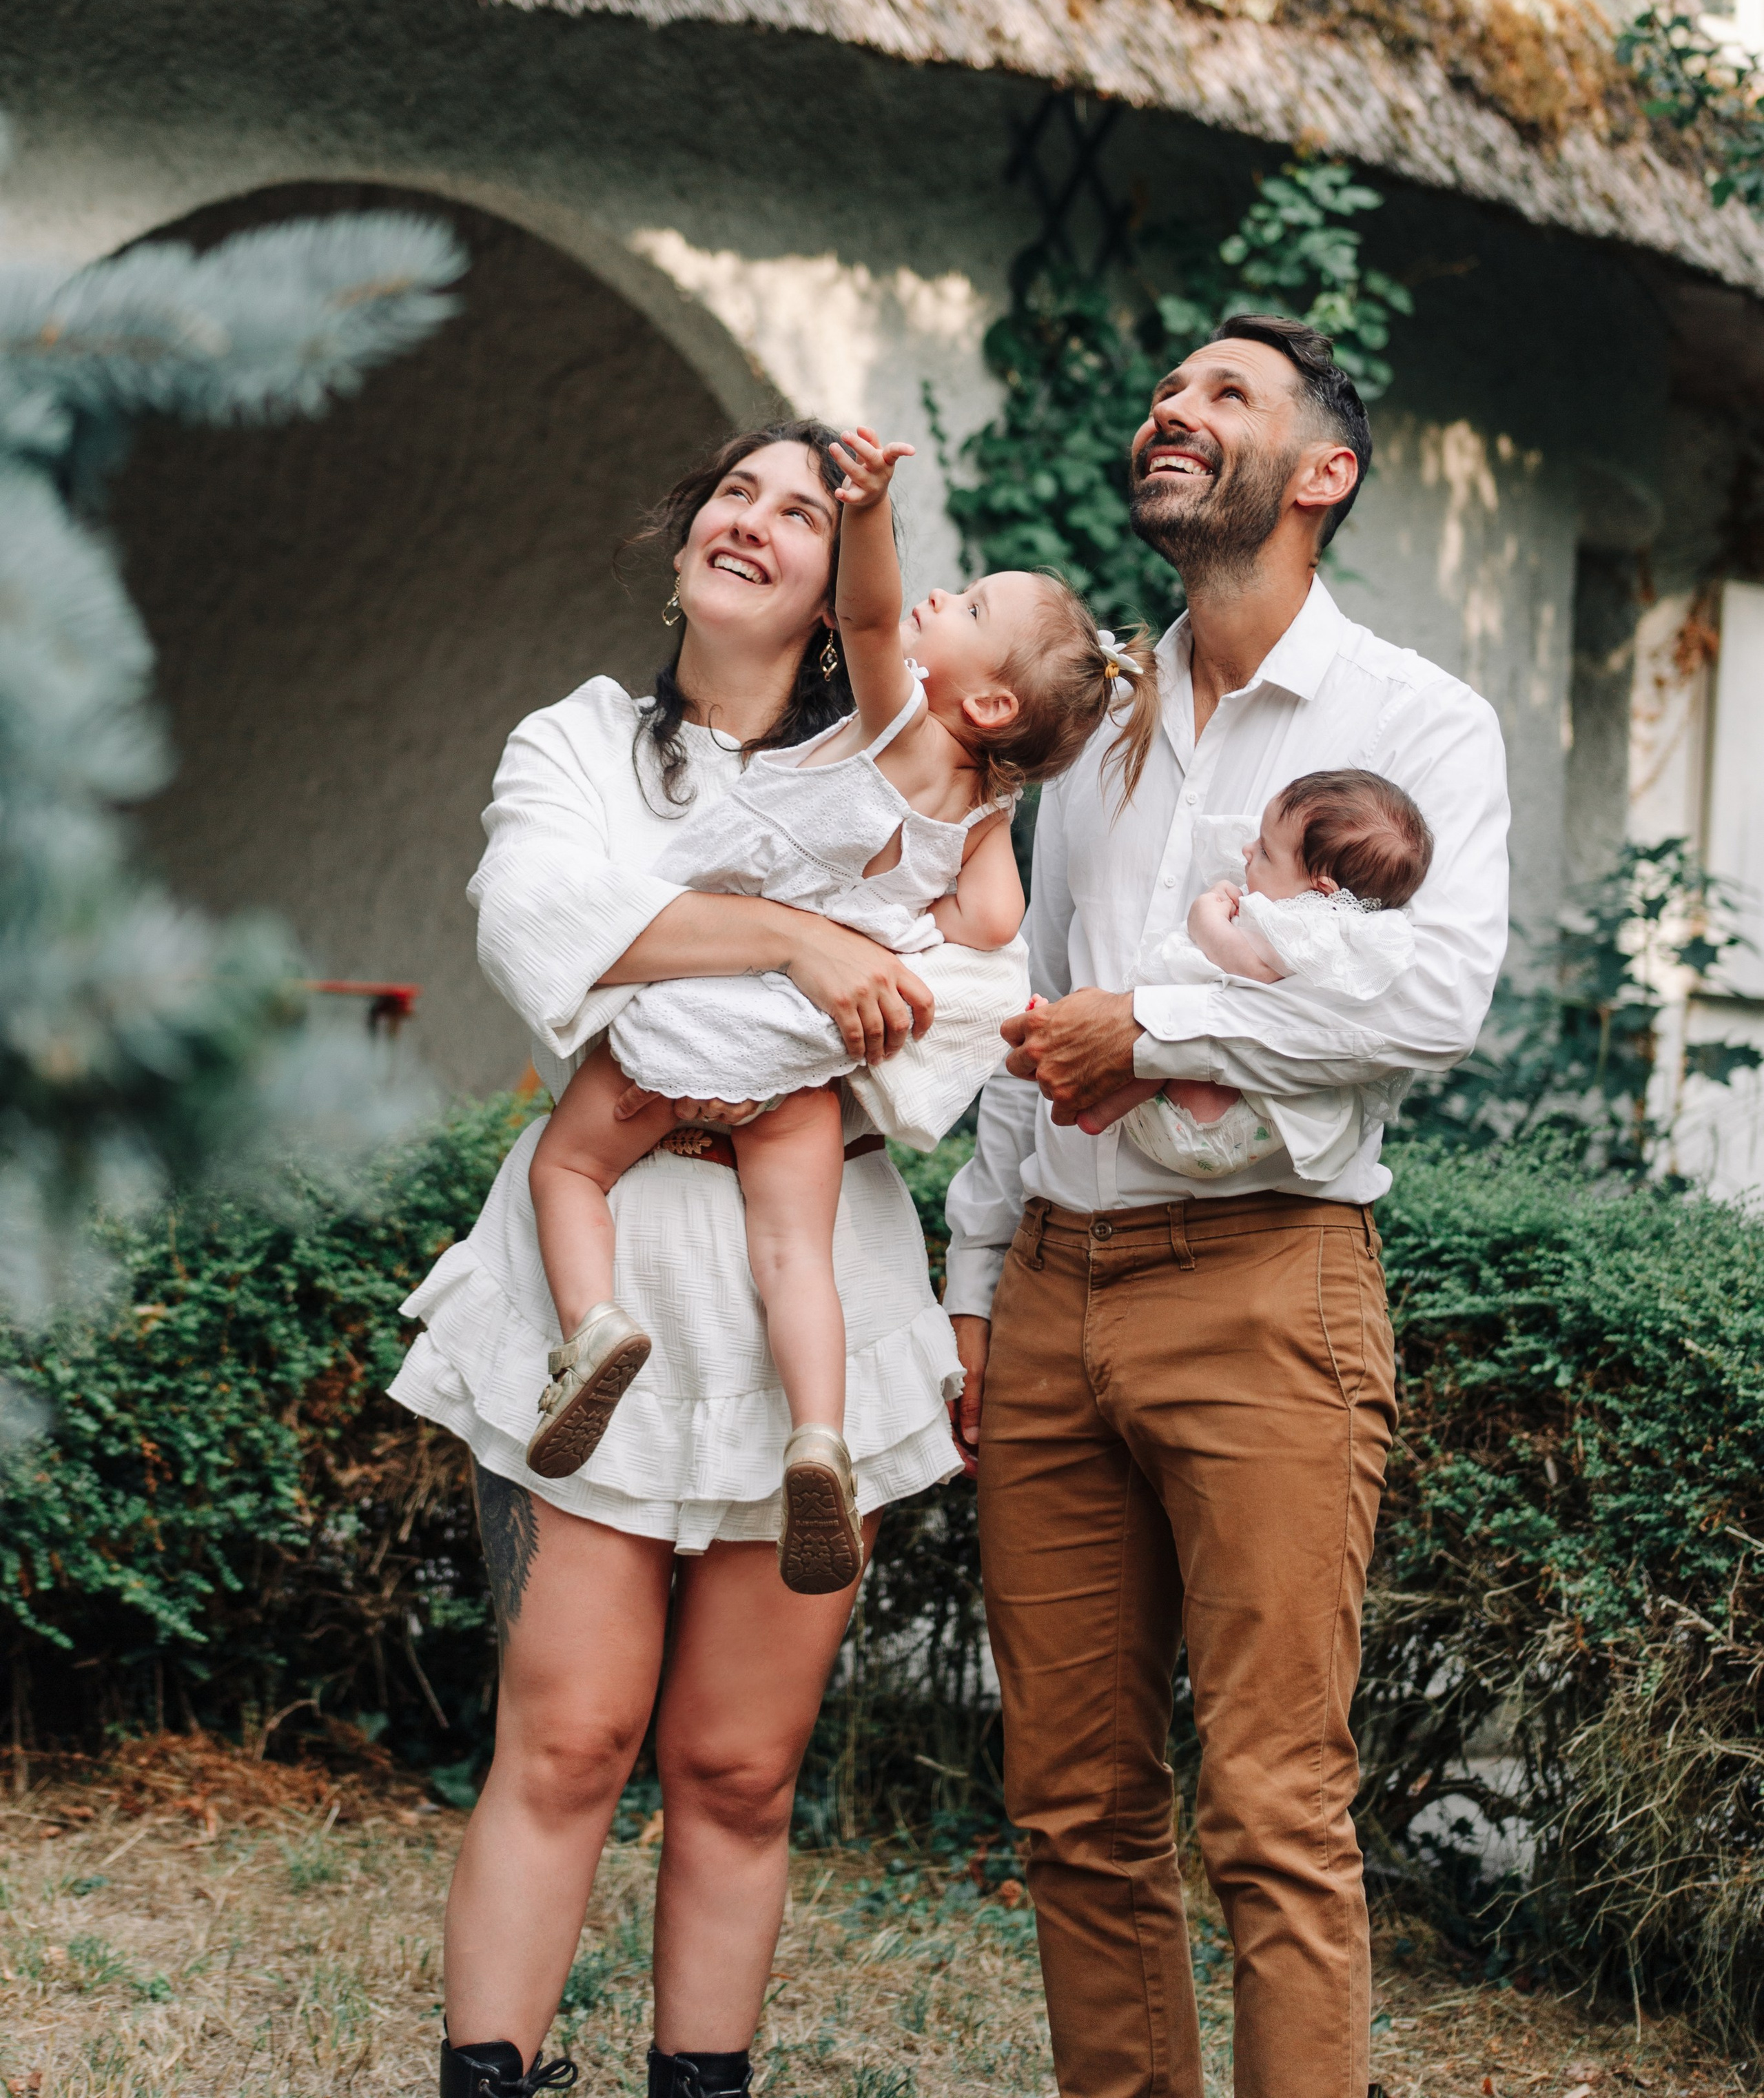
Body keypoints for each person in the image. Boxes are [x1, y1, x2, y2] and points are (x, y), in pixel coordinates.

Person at [389, 421, 1027, 2098]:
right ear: (686, 537)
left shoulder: (905, 777)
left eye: (799, 509)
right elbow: (543, 921)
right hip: (589, 1268)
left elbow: (951, 1027)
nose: (750, 517)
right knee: (569, 1736)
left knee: (739, 1766)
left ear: (838, 589)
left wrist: (733, 980)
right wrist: (805, 947)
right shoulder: (579, 742)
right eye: (732, 490)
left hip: (811, 1279)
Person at [944, 317, 1510, 2098]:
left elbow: (1434, 1002)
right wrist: (973, 1287)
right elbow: (1026, 1014)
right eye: (1168, 392)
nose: (1173, 412)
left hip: (1268, 1291)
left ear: (1321, 471)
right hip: (1051, 1291)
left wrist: (1168, 1024)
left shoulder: (1418, 720)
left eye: (1225, 395)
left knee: (1272, 1807)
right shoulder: (1093, 732)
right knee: (1073, 1806)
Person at [522, 427, 1155, 1598]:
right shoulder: (983, 829)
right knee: (795, 1255)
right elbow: (978, 951)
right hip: (804, 1066)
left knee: (566, 1170)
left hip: (697, 1024)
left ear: (984, 693)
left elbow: (867, 619)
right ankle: (820, 1433)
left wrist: (871, 510)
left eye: (962, 604)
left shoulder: (891, 728)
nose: (929, 598)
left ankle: (593, 1325)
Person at [1080, 766, 1435, 1187]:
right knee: (1149, 1026)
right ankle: (1092, 1093)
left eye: (1266, 851)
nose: (1247, 850)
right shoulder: (1349, 931)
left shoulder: (1310, 927)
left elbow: (1249, 968)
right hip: (1215, 1118)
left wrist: (1205, 917)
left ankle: (1097, 1110)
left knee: (1170, 1036)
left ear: (1320, 891)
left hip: (1216, 1119)